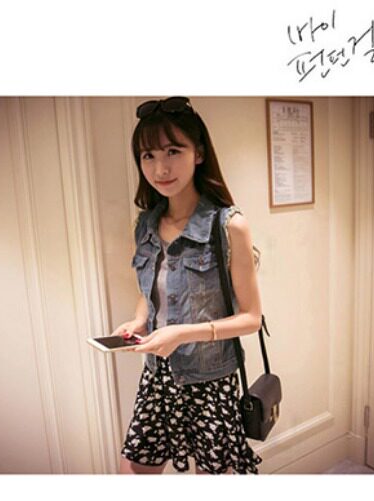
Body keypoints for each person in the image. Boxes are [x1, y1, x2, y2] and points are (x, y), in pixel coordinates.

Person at [113, 96, 263, 474]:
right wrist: (139, 321)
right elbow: (150, 293)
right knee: (134, 469)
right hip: (158, 376)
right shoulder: (146, 225)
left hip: (210, 381)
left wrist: (182, 333)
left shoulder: (229, 226)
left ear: (198, 153)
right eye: (148, 155)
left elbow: (251, 319)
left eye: (173, 151)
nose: (160, 168)